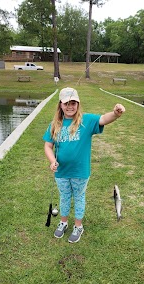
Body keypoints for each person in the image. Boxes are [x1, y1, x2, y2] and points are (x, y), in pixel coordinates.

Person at [43, 87, 125, 243]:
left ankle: (78, 226)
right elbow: (48, 146)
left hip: (80, 171)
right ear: (60, 105)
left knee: (79, 197)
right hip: (61, 172)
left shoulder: (86, 121)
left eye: (73, 103)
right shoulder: (54, 124)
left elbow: (103, 119)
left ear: (78, 104)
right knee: (65, 197)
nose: (70, 106)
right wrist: (52, 161)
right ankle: (63, 222)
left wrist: (115, 113)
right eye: (66, 103)